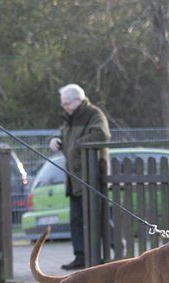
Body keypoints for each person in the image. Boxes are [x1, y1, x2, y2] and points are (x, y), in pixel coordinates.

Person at [49, 84, 111, 270]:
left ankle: (116, 252)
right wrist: (55, 140)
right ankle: (81, 257)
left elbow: (102, 135)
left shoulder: (94, 114)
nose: (65, 107)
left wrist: (76, 145)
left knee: (99, 217)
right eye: (63, 104)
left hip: (92, 177)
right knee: (76, 220)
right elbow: (63, 136)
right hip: (74, 178)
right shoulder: (69, 119)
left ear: (78, 100)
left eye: (67, 103)